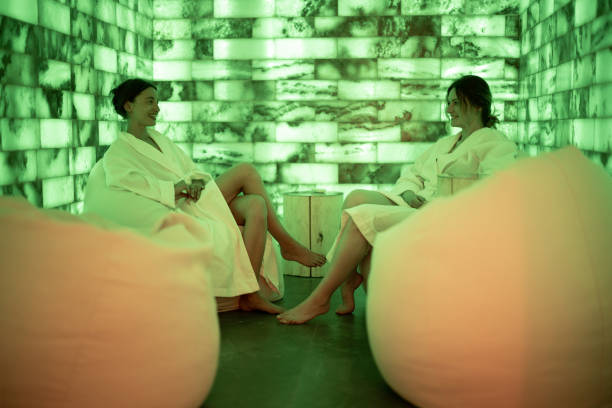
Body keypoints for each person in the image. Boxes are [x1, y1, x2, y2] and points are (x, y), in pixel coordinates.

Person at [277, 75, 519, 324]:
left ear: (478, 103)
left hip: (443, 214)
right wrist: (407, 192)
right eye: (448, 103)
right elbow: (413, 173)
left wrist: (441, 199)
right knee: (356, 197)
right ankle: (349, 281)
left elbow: (492, 191)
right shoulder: (446, 143)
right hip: (416, 203)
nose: (449, 109)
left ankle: (320, 298)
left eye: (455, 102)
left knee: (363, 218)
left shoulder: (496, 144)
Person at [102, 78, 326, 314]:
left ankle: (250, 294)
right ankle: (288, 245)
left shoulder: (160, 140)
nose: (157, 108)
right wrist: (175, 188)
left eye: (157, 102)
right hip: (181, 204)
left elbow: (195, 171)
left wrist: (193, 183)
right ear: (128, 105)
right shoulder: (119, 152)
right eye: (149, 102)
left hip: (197, 196)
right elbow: (126, 181)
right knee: (246, 171)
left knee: (256, 205)